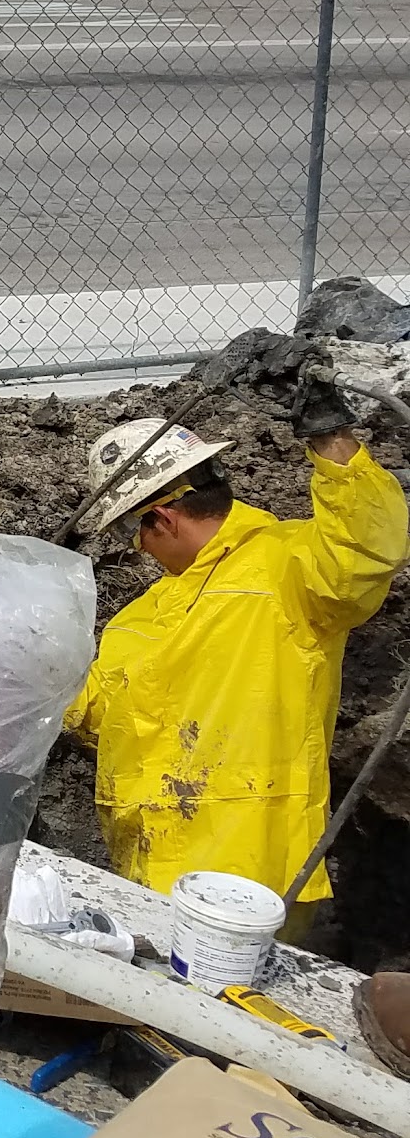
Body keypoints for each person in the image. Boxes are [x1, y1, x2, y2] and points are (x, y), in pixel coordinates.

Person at [62, 391, 405, 945]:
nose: (140, 551)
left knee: (232, 1017)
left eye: (133, 534)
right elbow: (99, 715)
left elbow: (364, 549)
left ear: (161, 518)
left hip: (247, 872)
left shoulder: (286, 568)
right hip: (150, 857)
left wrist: (332, 439)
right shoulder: (144, 616)